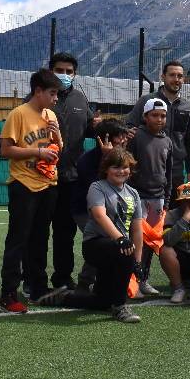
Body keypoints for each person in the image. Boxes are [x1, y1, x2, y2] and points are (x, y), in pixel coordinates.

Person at [39, 148, 143, 323]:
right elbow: (99, 215)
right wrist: (120, 239)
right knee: (125, 251)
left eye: (125, 167)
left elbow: (137, 229)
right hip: (96, 245)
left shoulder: (133, 193)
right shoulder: (97, 187)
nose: (121, 171)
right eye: (115, 167)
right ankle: (120, 307)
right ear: (106, 169)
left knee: (102, 301)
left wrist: (138, 262)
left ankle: (63, 297)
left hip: (119, 249)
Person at [0, 68, 63, 313]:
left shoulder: (51, 115)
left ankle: (37, 288)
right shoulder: (19, 114)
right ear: (38, 91)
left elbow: (58, 149)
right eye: (52, 93)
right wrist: (37, 152)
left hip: (48, 184)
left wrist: (56, 136)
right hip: (24, 184)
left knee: (40, 240)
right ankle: (8, 293)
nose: (56, 98)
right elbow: (5, 150)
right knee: (18, 240)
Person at [41, 52, 99, 293]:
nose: (64, 75)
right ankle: (34, 280)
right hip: (41, 177)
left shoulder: (80, 99)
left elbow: (89, 129)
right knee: (38, 232)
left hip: (70, 178)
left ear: (75, 74)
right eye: (59, 70)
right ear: (50, 70)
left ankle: (63, 279)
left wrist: (98, 126)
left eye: (69, 71)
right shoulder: (39, 97)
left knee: (64, 233)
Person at [71, 118, 130, 293]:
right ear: (103, 139)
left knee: (103, 244)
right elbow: (97, 188)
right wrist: (106, 156)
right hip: (85, 210)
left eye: (123, 136)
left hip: (108, 210)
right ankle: (87, 283)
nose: (122, 140)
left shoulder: (122, 157)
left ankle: (89, 283)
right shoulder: (86, 161)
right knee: (102, 242)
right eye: (118, 137)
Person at [126, 60, 190, 203]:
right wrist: (128, 131)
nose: (176, 79)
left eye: (180, 76)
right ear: (163, 77)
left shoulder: (188, 107)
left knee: (174, 213)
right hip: (146, 170)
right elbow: (129, 125)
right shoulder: (147, 100)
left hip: (176, 172)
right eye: (172, 75)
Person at [127, 97, 173, 296]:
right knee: (134, 240)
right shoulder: (136, 137)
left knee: (150, 243)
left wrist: (167, 200)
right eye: (155, 115)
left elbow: (169, 173)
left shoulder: (167, 141)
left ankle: (143, 280)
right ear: (145, 117)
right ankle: (130, 281)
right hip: (137, 197)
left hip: (158, 198)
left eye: (163, 116)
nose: (159, 119)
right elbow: (127, 166)